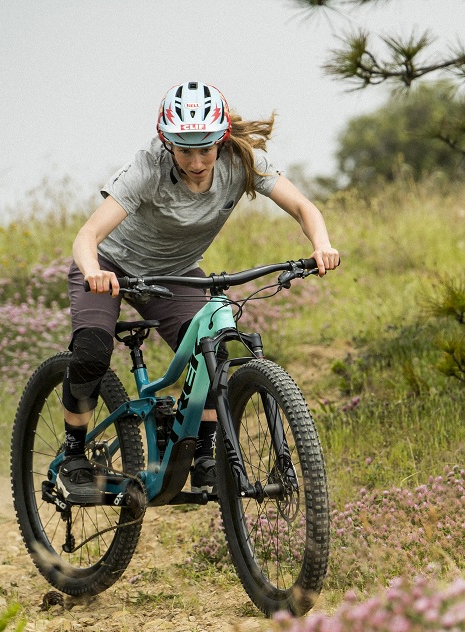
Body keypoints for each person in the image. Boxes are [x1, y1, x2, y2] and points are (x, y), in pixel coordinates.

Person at [58, 81, 339, 503]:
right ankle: (75, 456)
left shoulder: (242, 161)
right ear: (166, 142)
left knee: (214, 351)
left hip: (175, 275)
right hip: (111, 268)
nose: (195, 160)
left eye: (204, 148)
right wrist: (94, 271)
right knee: (92, 350)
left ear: (221, 140)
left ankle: (204, 456)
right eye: (183, 149)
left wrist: (321, 244)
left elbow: (303, 207)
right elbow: (87, 235)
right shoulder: (147, 168)